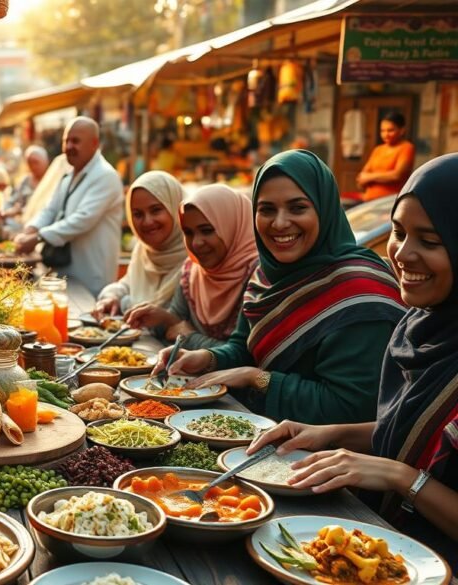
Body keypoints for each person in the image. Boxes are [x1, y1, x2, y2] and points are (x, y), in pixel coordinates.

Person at [248, 153, 458, 567]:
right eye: (398, 232)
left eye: (430, 241)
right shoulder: (421, 324)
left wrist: (400, 477)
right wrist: (329, 434)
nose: (402, 254)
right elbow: (415, 431)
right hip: (380, 545)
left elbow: (415, 458)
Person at [156, 150, 406, 425]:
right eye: (267, 210)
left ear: (324, 209)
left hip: (324, 458)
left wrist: (257, 378)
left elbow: (350, 408)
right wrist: (207, 358)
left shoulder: (361, 292)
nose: (279, 223)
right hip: (258, 436)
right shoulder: (267, 274)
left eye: (298, 208)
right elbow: (245, 347)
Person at [123, 184, 258, 349]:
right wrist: (163, 318)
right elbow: (175, 325)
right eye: (188, 233)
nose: (196, 243)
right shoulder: (192, 270)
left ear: (232, 226)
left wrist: (189, 337)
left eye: (207, 230)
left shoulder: (257, 277)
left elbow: (243, 356)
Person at [13, 117, 123, 297]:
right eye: (67, 141)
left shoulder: (106, 176)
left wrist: (37, 237)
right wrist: (31, 229)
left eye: (76, 141)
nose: (69, 146)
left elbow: (82, 219)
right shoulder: (69, 175)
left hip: (91, 274)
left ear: (94, 144)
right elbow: (50, 209)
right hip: (64, 272)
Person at [95, 171, 188, 316]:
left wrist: (125, 303)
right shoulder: (144, 250)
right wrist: (112, 297)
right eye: (138, 214)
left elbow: (171, 316)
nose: (147, 222)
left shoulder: (196, 256)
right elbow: (127, 284)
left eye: (156, 210)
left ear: (176, 207)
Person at [357, 112, 415, 202]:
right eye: (382, 131)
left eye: (390, 130)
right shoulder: (378, 149)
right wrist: (367, 178)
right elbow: (362, 176)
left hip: (389, 202)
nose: (385, 134)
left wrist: (370, 177)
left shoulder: (406, 147)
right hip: (368, 201)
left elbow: (396, 175)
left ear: (402, 130)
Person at [1, 145, 49, 227]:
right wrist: (7, 211)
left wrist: (22, 210)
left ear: (46, 162)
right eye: (29, 163)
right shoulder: (25, 181)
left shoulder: (51, 180)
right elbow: (11, 201)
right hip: (22, 222)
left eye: (36, 162)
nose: (33, 166)